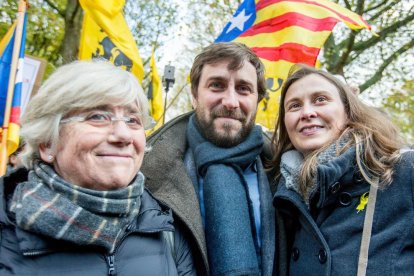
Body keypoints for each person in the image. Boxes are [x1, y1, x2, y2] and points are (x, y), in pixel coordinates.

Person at [0, 60, 195, 275]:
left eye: (132, 120)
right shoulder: (5, 230)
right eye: (98, 117)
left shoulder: (166, 228)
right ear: (48, 143)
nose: (123, 135)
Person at [141, 42, 276, 276]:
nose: (230, 101)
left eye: (243, 88)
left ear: (258, 100)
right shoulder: (144, 175)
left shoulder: (285, 170)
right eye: (217, 85)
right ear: (194, 95)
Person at [271, 64, 414, 275]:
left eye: (320, 99)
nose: (307, 112)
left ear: (348, 111)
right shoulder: (283, 196)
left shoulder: (404, 169)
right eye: (294, 106)